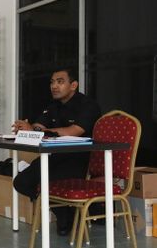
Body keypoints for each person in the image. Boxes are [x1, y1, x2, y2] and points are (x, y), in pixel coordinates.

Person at [12, 68, 101, 236]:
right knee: (21, 182)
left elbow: (74, 131)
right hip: (54, 157)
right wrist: (27, 128)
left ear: (73, 85)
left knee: (47, 184)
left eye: (60, 82)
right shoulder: (53, 106)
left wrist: (40, 130)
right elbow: (39, 125)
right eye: (52, 82)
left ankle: (65, 214)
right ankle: (62, 212)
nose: (54, 86)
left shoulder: (88, 105)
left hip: (78, 160)